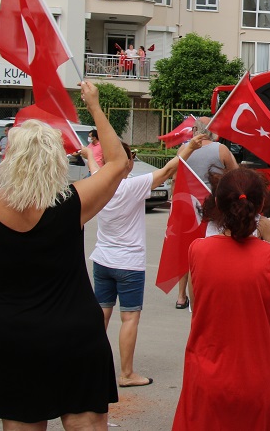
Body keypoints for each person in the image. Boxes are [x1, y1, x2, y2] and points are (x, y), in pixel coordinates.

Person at [0, 80, 129, 429]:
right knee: (85, 420)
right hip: (73, 332)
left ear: (10, 156)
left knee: (22, 421)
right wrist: (95, 106)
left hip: (8, 333)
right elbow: (118, 162)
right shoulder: (71, 203)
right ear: (54, 158)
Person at [173, 168, 270, 428]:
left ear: (218, 203)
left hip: (206, 382)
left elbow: (199, 311)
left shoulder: (197, 250)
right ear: (261, 205)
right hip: (258, 384)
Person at [87, 136, 204, 388]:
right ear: (127, 162)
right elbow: (170, 169)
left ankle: (89, 369)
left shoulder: (97, 182)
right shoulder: (132, 185)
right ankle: (126, 373)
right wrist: (191, 147)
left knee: (101, 314)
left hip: (102, 260)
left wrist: (88, 153)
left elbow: (93, 166)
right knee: (129, 319)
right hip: (128, 263)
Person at [175, 116, 240, 309]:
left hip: (187, 207)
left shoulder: (183, 150)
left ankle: (181, 297)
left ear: (196, 130)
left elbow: (175, 176)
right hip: (213, 208)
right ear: (212, 130)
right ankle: (210, 291)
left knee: (186, 251)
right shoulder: (221, 150)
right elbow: (236, 174)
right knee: (212, 249)